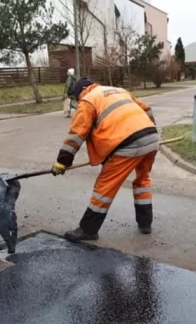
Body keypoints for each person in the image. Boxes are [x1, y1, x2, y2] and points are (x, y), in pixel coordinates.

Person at [50, 77, 158, 242]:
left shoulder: (88, 100)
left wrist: (62, 162)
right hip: (151, 137)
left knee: (104, 188)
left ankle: (88, 229)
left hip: (127, 145)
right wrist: (148, 133)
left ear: (82, 90)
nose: (78, 101)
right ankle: (145, 224)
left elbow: (76, 134)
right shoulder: (119, 90)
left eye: (76, 97)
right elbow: (147, 110)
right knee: (142, 180)